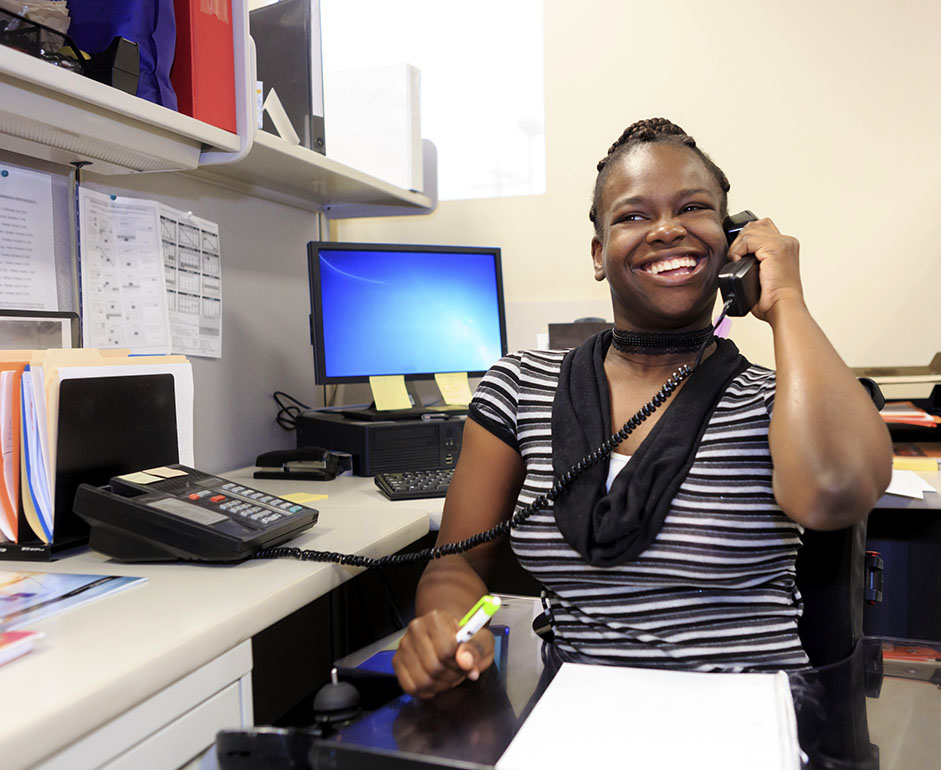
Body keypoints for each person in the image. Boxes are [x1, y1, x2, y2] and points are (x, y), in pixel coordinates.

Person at [391, 118, 893, 699]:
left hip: (744, 722)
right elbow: (457, 565)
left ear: (734, 241)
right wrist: (450, 628)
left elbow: (835, 491)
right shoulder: (520, 386)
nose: (667, 230)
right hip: (577, 714)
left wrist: (784, 299)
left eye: (694, 208)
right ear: (600, 254)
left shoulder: (775, 402)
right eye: (634, 215)